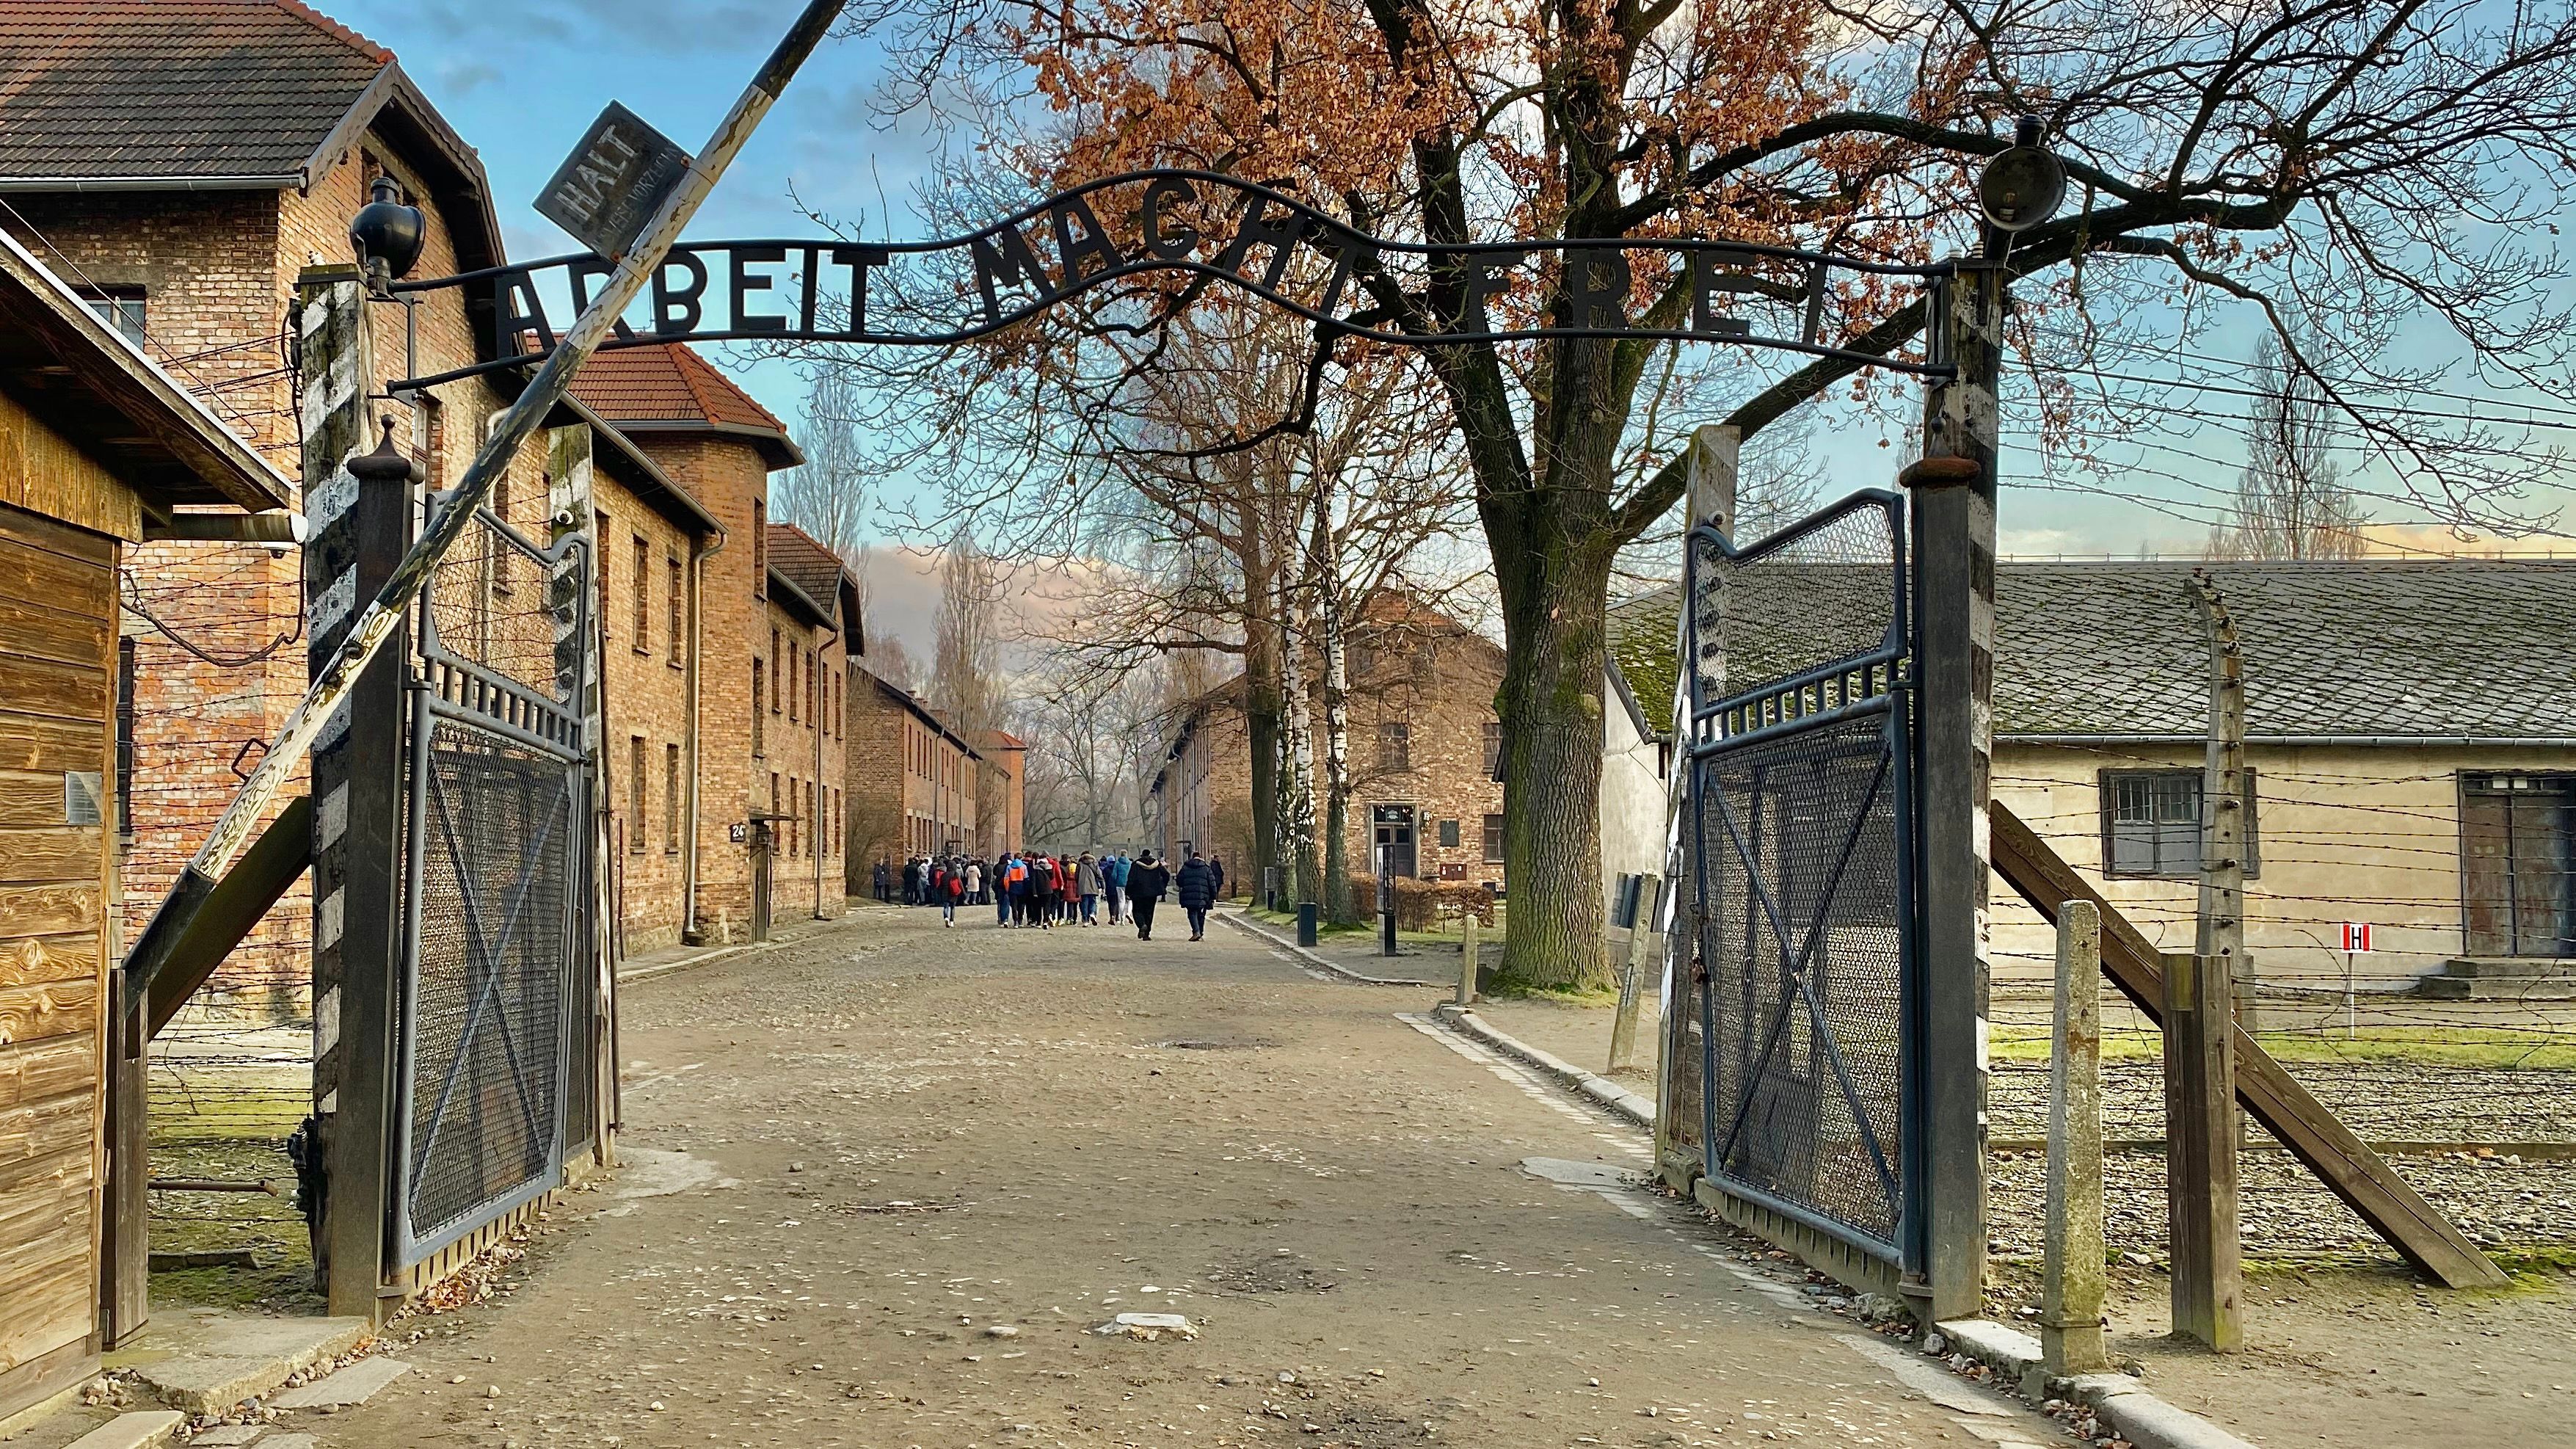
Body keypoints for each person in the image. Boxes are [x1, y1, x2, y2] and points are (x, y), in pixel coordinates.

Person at [1127, 850, 1171, 941]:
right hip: (1152, 892)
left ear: (1142, 855)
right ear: (1150, 855)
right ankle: (1147, 934)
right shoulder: (1157, 864)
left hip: (1138, 892)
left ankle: (1142, 925)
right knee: (1149, 913)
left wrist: (1128, 892)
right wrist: (1162, 886)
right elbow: (1167, 875)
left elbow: (1131, 879)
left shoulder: (1136, 864)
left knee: (1137, 911)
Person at [1175, 849, 1216, 941]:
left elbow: (1179, 880)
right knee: (1201, 914)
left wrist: (1184, 886)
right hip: (1203, 895)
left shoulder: (1185, 868)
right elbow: (1212, 883)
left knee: (1192, 913)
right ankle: (1200, 932)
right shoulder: (1206, 868)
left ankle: (1196, 931)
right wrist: (1213, 896)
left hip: (1189, 895)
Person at [1102, 850, 1129, 923]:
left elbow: (1106, 878)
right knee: (1118, 902)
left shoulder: (1106, 869)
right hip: (1118, 885)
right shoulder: (1120, 865)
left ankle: (1112, 916)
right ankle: (1118, 917)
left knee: (1111, 903)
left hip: (1109, 888)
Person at [1076, 852, 1102, 926]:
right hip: (1093, 886)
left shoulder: (1080, 864)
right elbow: (1099, 875)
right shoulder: (1094, 864)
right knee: (1093, 901)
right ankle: (1093, 913)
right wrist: (1103, 886)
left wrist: (1078, 883)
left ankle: (1085, 920)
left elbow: (1076, 876)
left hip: (1083, 886)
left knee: (1084, 902)